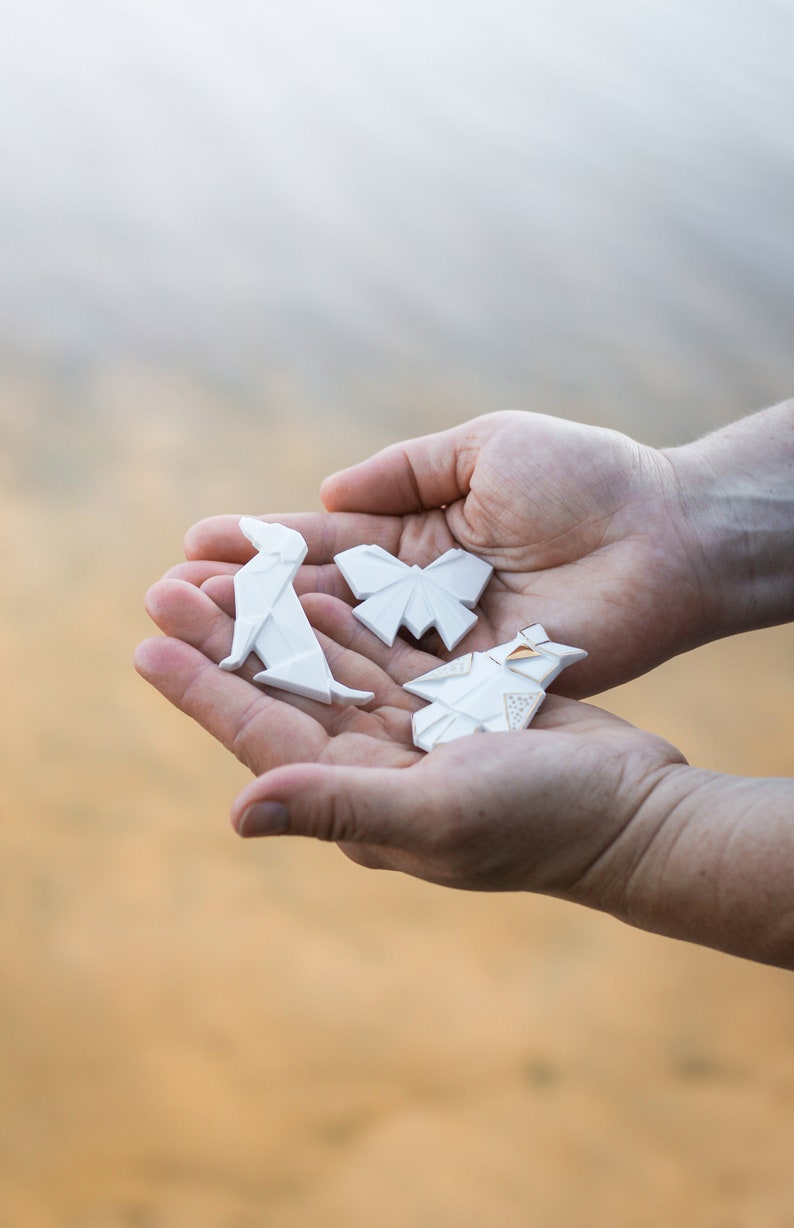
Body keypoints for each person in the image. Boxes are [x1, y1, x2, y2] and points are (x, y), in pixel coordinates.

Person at [134, 401, 794, 969]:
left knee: (426, 676)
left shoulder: (492, 658)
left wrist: (635, 835)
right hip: (440, 654)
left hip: (453, 661)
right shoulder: (457, 637)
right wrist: (678, 513)